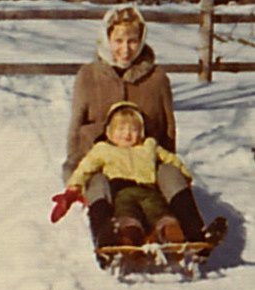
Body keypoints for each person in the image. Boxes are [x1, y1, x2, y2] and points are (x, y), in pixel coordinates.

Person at [61, 5, 184, 244]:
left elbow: (169, 127)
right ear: (107, 39)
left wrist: (167, 162)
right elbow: (76, 126)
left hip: (144, 161)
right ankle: (108, 236)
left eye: (132, 41)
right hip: (100, 163)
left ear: (142, 40)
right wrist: (75, 169)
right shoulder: (88, 76)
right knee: (98, 184)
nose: (125, 49)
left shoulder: (157, 78)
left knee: (169, 175)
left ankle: (186, 230)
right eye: (118, 41)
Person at [53, 101, 227, 254]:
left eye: (133, 129)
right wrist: (73, 188)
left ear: (141, 132)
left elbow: (171, 160)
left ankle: (171, 232)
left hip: (149, 190)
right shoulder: (102, 150)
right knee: (127, 213)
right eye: (120, 129)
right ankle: (129, 235)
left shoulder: (149, 146)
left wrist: (185, 177)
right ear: (109, 133)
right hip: (121, 191)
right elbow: (85, 168)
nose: (127, 134)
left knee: (159, 212)